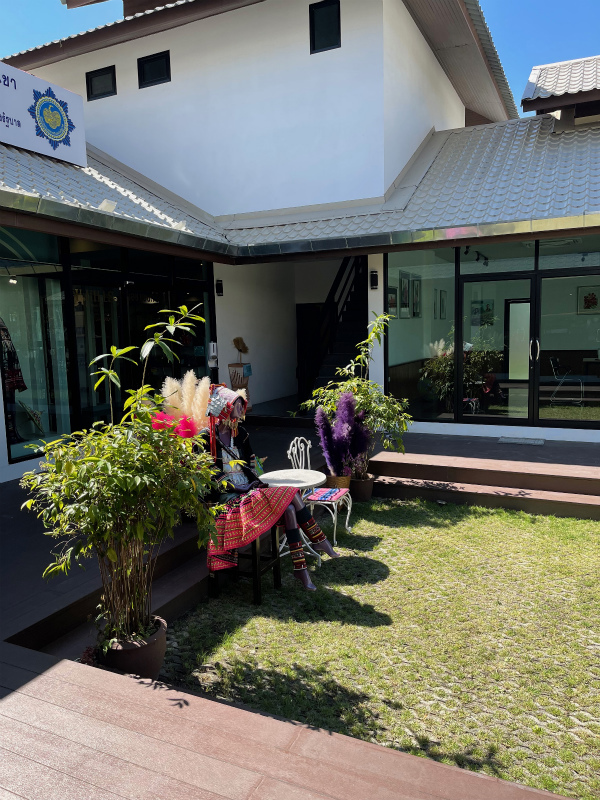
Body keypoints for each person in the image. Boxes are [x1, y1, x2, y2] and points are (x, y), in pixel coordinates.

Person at [205, 385, 339, 591]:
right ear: (224, 408)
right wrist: (240, 488)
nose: (241, 409)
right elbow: (209, 475)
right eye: (236, 405)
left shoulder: (240, 433)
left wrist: (254, 482)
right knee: (291, 496)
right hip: (228, 497)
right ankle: (317, 541)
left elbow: (250, 466)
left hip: (249, 490)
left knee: (291, 507)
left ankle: (301, 568)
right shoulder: (206, 438)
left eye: (241, 405)